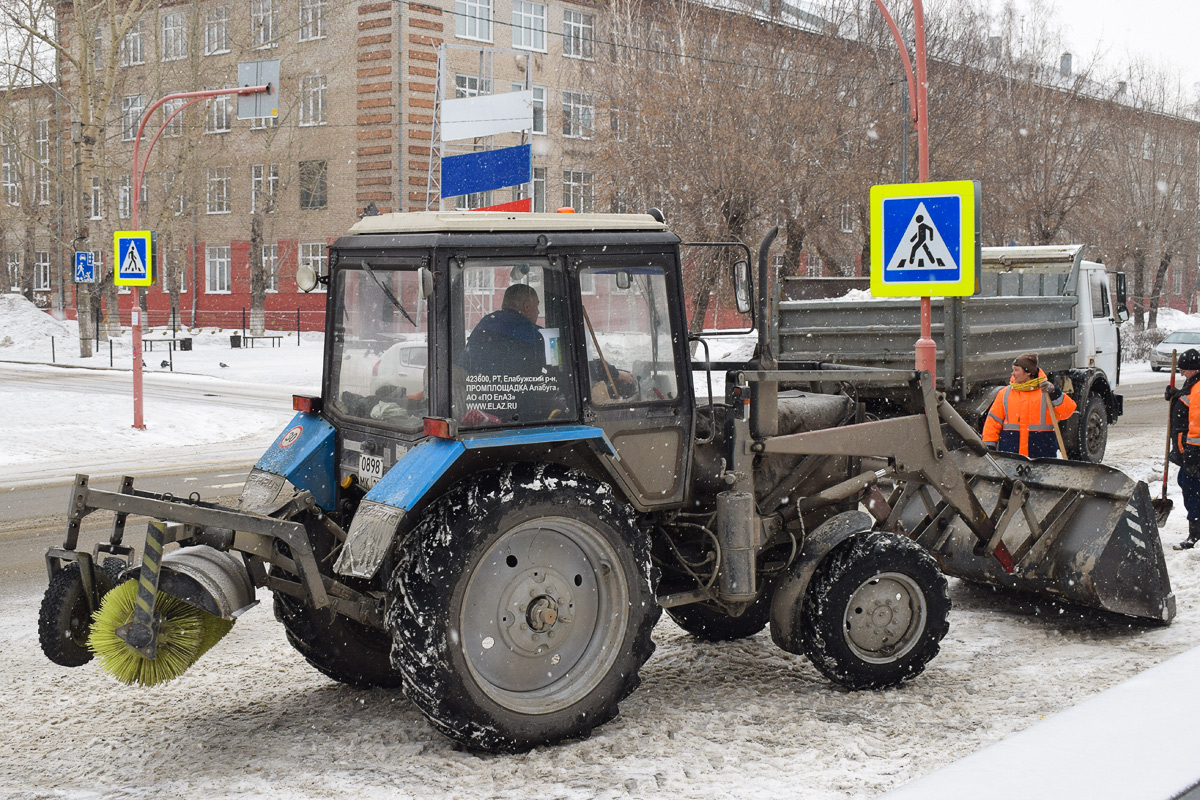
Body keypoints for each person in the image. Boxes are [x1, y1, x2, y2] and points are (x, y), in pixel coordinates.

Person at [982, 352, 1076, 458]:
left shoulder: (1046, 392)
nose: (1013, 374)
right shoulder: (1005, 393)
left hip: (1042, 457)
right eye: (1013, 370)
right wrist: (989, 447)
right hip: (1011, 457)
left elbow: (1067, 412)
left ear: (1028, 372)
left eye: (1016, 370)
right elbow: (992, 422)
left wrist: (1055, 393)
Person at [1166, 348, 1200, 549]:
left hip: (1194, 451)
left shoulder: (1198, 390)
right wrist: (1176, 395)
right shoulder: (1193, 386)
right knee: (1187, 483)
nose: (1181, 373)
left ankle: (1194, 534)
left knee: (1192, 488)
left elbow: (1196, 424)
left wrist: (1192, 454)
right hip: (1188, 449)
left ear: (1193, 370)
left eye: (1184, 370)